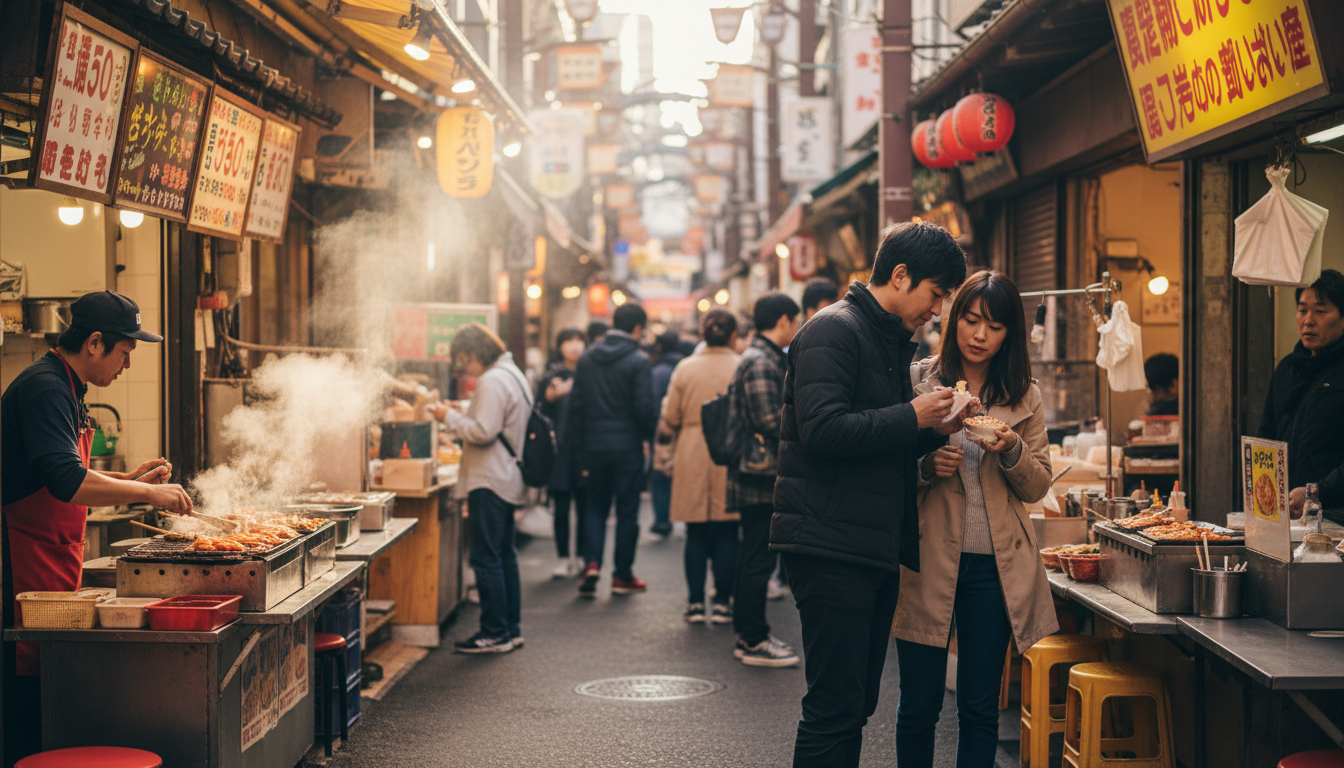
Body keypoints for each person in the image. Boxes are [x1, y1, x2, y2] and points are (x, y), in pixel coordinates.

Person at [772, 221, 967, 767]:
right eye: (935, 293)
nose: (936, 309)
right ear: (900, 276)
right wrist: (912, 415)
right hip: (830, 544)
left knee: (855, 702)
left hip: (867, 543)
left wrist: (936, 427)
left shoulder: (883, 340)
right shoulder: (832, 330)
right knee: (835, 705)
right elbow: (825, 431)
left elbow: (873, 433)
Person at [1, 290, 191, 765]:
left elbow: (58, 470)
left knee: (42, 685)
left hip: (48, 556)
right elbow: (65, 481)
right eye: (125, 352)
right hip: (15, 562)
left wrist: (128, 481)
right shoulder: (46, 388)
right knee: (21, 700)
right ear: (94, 343)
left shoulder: (67, 387)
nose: (125, 365)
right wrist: (149, 495)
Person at [891, 270, 1058, 768]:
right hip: (926, 557)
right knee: (919, 705)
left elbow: (1039, 485)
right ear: (954, 318)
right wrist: (925, 467)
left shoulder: (1024, 394)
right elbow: (885, 469)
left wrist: (1012, 449)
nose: (980, 335)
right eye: (971, 319)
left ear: (1010, 334)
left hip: (994, 567)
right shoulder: (920, 380)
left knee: (980, 707)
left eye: (995, 326)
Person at [430, 324, 531, 653]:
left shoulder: (491, 380)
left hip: (489, 479)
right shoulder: (513, 373)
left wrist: (449, 416)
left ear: (475, 354)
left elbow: (484, 430)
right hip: (508, 476)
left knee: (486, 558)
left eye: (464, 361)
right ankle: (510, 629)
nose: (465, 370)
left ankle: (493, 632)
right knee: (504, 556)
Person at [727, 291, 801, 666]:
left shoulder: (762, 357)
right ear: (784, 320)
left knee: (753, 556)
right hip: (758, 475)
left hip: (757, 473)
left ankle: (750, 634)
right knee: (756, 558)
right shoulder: (759, 362)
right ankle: (753, 638)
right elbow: (770, 421)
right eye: (796, 320)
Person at [570, 303, 658, 597]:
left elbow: (576, 409)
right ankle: (622, 575)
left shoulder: (587, 359)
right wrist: (647, 438)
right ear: (636, 329)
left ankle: (591, 563)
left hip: (594, 445)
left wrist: (579, 450)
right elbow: (645, 409)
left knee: (595, 506)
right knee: (627, 511)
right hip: (627, 447)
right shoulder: (638, 361)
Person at [660, 310, 742, 624]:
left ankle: (695, 602)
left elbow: (671, 418)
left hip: (693, 450)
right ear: (733, 335)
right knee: (726, 531)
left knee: (695, 531)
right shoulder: (740, 365)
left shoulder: (685, 368)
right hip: (730, 451)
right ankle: (722, 601)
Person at [1258, 268, 1344, 516]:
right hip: (1285, 515)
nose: (1308, 320)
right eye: (1302, 310)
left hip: (1335, 517)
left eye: (1320, 311)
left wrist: (1316, 493)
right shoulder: (1287, 368)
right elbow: (1266, 437)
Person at [537, 327, 587, 578]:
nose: (575, 346)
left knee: (586, 507)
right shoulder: (550, 377)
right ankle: (563, 557)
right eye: (569, 341)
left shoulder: (591, 375)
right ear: (560, 346)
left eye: (579, 341)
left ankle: (581, 557)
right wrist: (550, 397)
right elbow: (539, 413)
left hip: (585, 450)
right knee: (562, 507)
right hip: (558, 451)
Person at [649, 330, 686, 537]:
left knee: (662, 475)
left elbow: (653, 405)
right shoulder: (687, 366)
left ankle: (663, 521)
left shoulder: (658, 372)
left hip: (663, 431)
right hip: (687, 430)